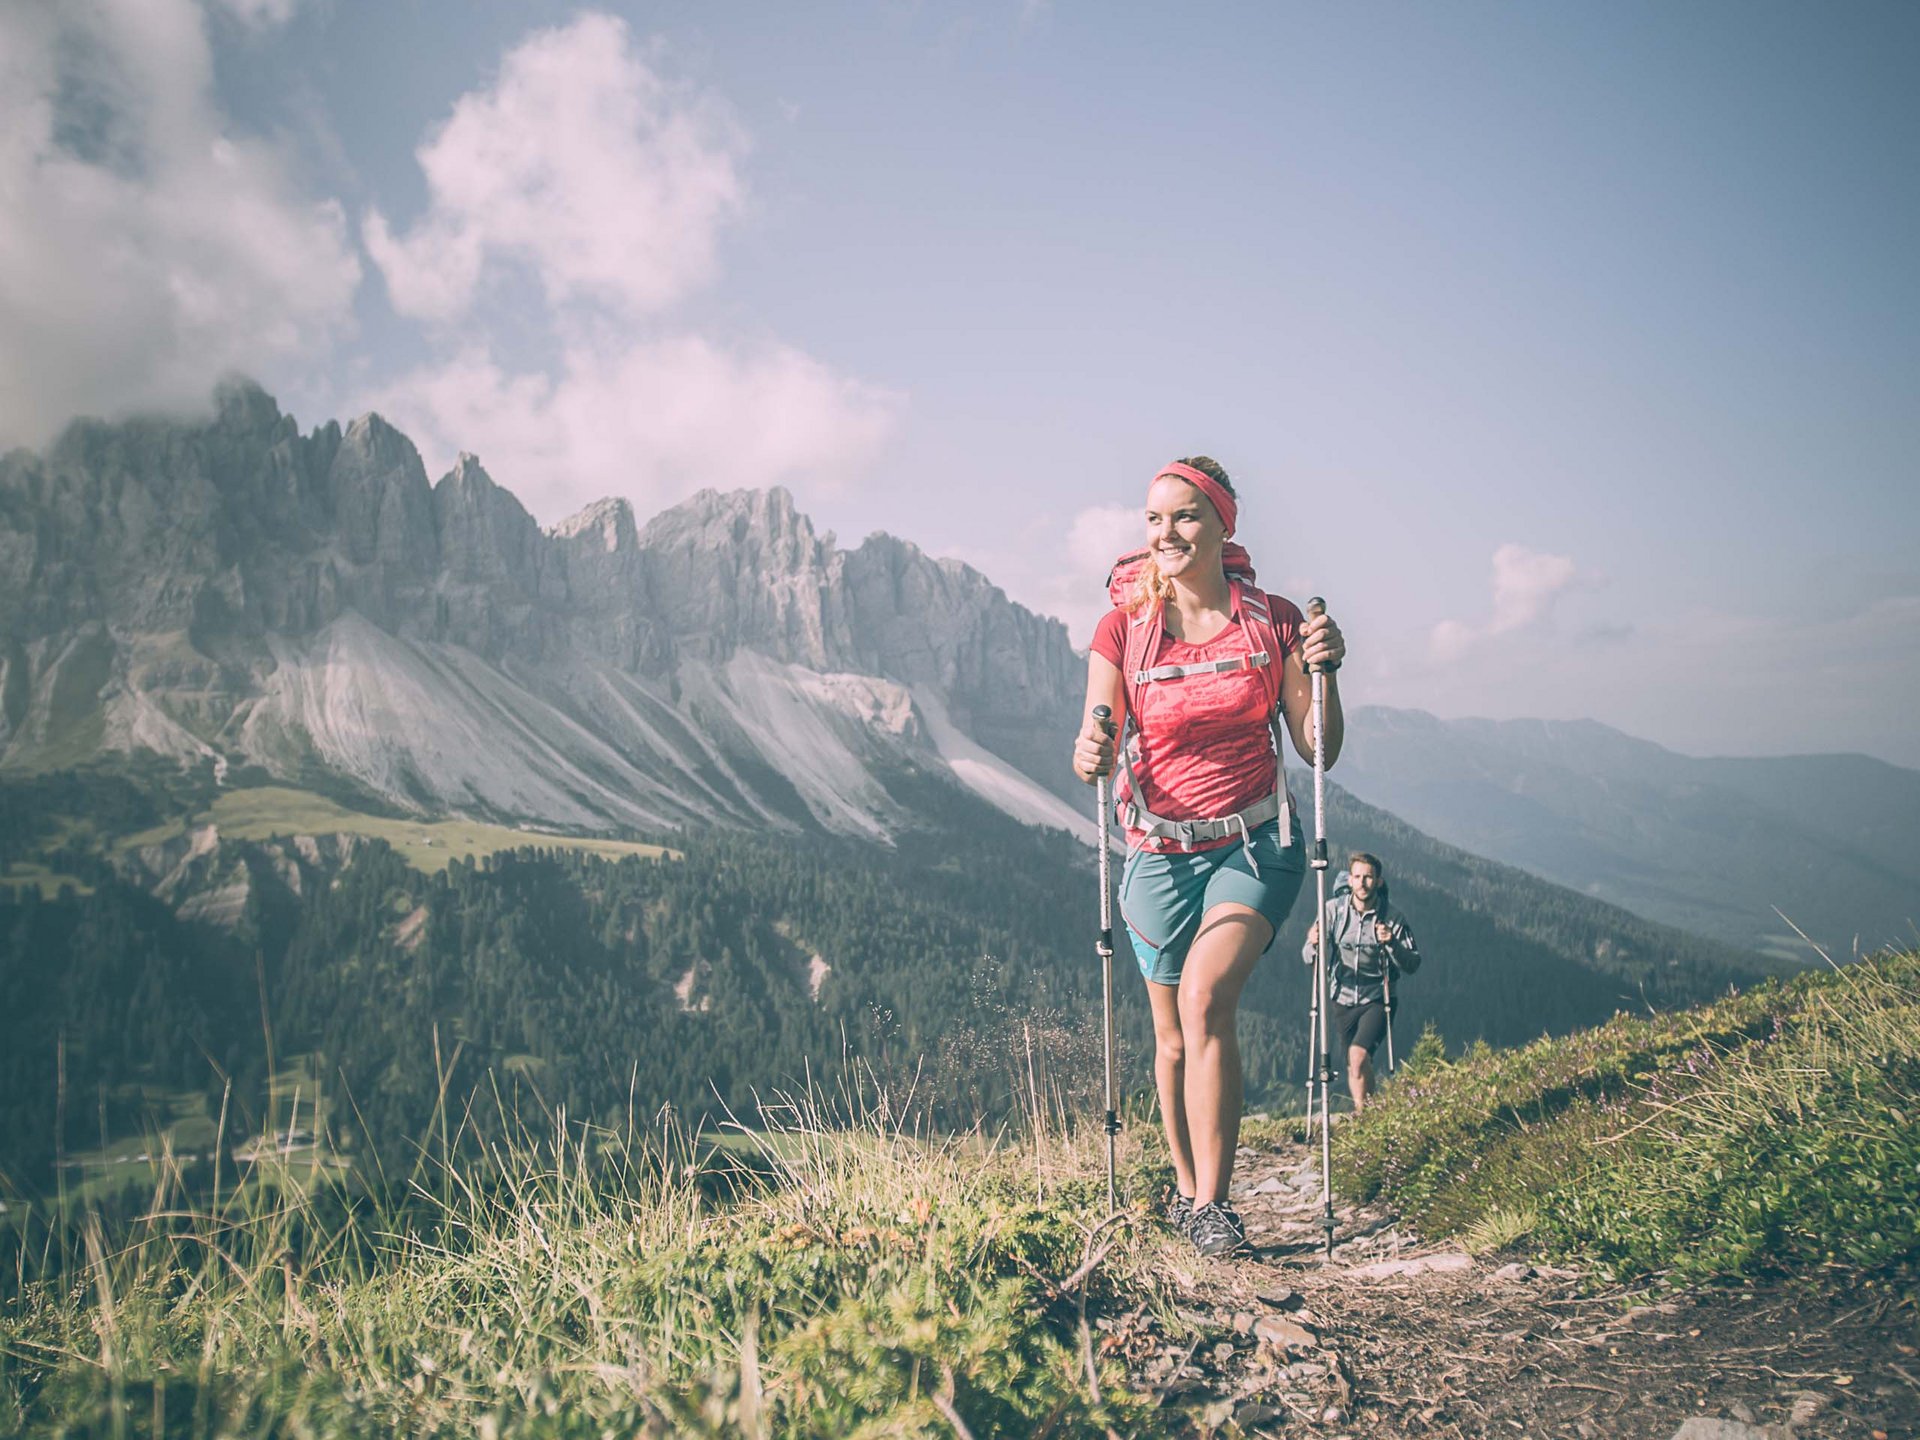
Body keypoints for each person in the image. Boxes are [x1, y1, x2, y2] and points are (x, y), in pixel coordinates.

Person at [1072, 456, 1345, 1256]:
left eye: (1186, 516)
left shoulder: (1275, 621)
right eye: (1154, 519)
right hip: (1158, 851)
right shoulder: (1123, 627)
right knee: (1169, 1039)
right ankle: (1189, 1195)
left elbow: (1317, 747)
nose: (1167, 533)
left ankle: (1218, 1206)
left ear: (1225, 525)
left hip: (1256, 843)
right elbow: (1096, 734)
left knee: (1204, 1001)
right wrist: (1091, 747)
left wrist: (1326, 672)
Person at [1303, 852, 1421, 1113]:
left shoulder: (1393, 917)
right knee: (1353, 1063)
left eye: (1368, 877)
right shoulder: (1333, 911)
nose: (1363, 883)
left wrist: (1391, 943)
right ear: (1350, 879)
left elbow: (1412, 963)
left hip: (1378, 997)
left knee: (1357, 1057)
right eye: (1358, 877)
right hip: (1341, 997)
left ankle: (1362, 1116)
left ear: (1379, 881)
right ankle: (1369, 1113)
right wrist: (1313, 944)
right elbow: (1308, 957)